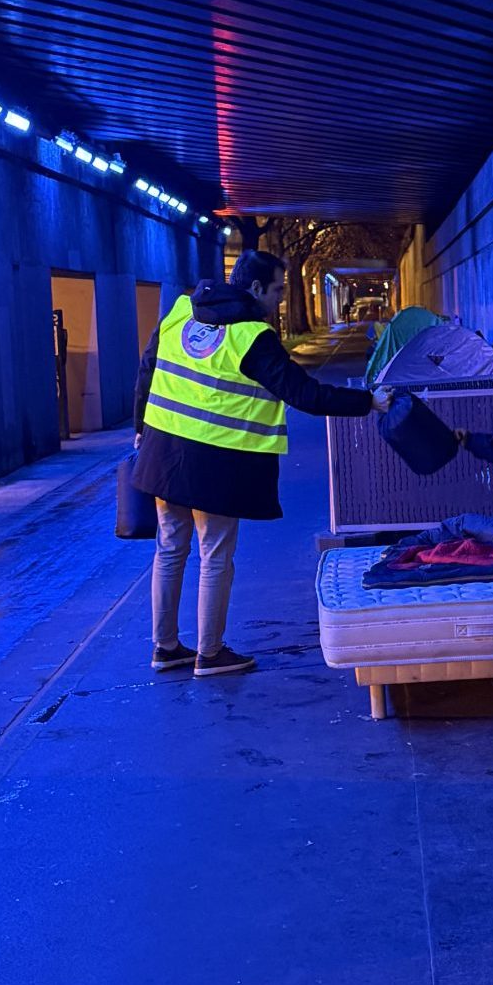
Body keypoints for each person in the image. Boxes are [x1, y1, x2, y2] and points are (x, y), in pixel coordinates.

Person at [134, 250, 388, 677]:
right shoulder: (252, 337)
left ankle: (165, 647)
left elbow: (147, 368)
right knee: (214, 554)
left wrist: (140, 424)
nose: (280, 300)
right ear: (254, 289)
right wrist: (369, 401)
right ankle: (210, 654)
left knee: (170, 549)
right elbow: (304, 394)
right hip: (214, 462)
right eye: (276, 290)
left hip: (162, 454)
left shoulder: (180, 312)